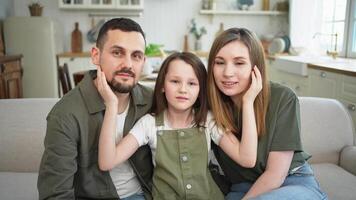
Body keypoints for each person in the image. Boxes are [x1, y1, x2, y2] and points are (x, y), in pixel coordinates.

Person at [96, 52, 261, 199]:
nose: (183, 89)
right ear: (161, 85)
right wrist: (112, 105)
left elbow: (246, 158)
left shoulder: (207, 120)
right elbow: (107, 162)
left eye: (192, 83)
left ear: (200, 91)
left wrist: (248, 102)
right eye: (175, 81)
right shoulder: (149, 124)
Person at [38, 18, 154, 200]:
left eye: (136, 56)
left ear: (143, 61)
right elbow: (56, 194)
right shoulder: (65, 114)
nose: (128, 64)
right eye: (117, 53)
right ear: (95, 56)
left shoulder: (153, 101)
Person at [207, 27, 328, 200]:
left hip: (290, 181)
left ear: (255, 67)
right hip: (241, 187)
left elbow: (276, 174)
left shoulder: (283, 98)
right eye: (219, 62)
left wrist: (248, 101)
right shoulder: (209, 106)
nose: (227, 72)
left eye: (239, 63)